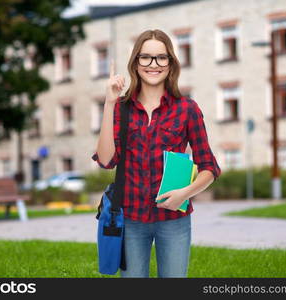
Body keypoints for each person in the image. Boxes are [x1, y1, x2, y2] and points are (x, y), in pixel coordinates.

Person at [92, 29, 221, 278]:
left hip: (174, 220)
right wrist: (109, 103)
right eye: (146, 57)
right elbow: (107, 161)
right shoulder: (121, 109)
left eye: (161, 57)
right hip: (130, 219)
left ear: (171, 63)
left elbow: (209, 167)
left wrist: (186, 193)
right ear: (136, 63)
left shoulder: (187, 109)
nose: (154, 64)